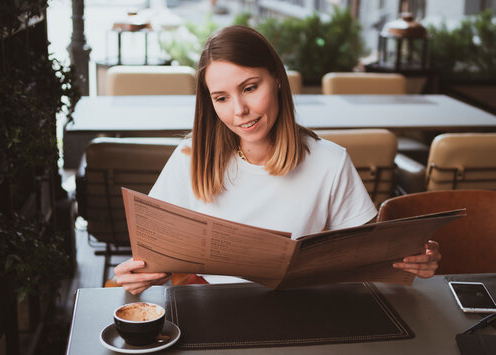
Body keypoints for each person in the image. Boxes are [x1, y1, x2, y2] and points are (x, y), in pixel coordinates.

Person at [114, 25, 441, 295]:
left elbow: (370, 260)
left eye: (250, 88)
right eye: (222, 98)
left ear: (278, 80)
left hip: (302, 305)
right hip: (210, 303)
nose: (239, 110)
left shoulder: (330, 161)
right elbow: (152, 258)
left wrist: (412, 259)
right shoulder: (190, 157)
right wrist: (138, 276)